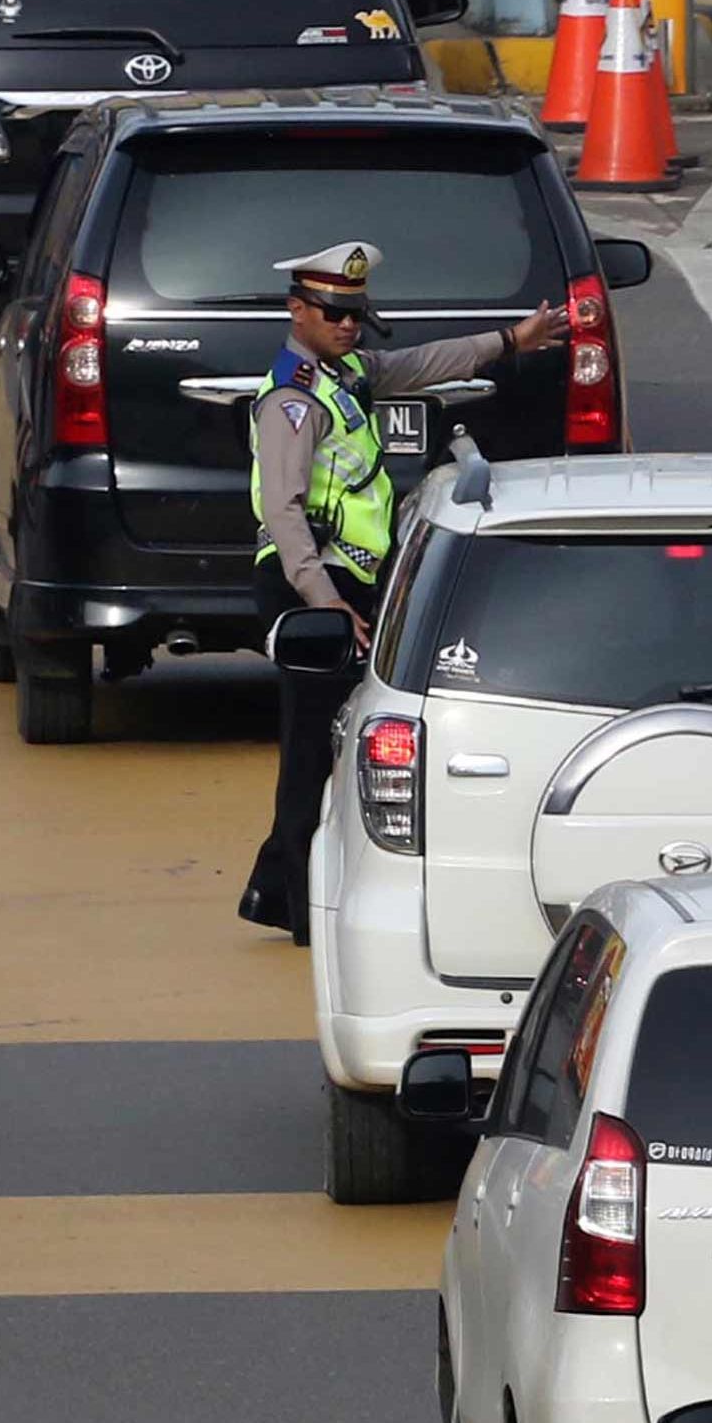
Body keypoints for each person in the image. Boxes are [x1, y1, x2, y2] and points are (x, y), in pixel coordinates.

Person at [238, 243, 570, 943]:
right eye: (332, 312)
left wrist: (510, 341)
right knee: (312, 750)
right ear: (297, 310)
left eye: (355, 312)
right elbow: (284, 512)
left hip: (351, 583)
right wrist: (322, 601)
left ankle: (275, 889)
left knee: (338, 736)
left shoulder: (346, 373)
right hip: (313, 590)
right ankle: (301, 913)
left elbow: (423, 364)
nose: (347, 325)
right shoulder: (293, 401)